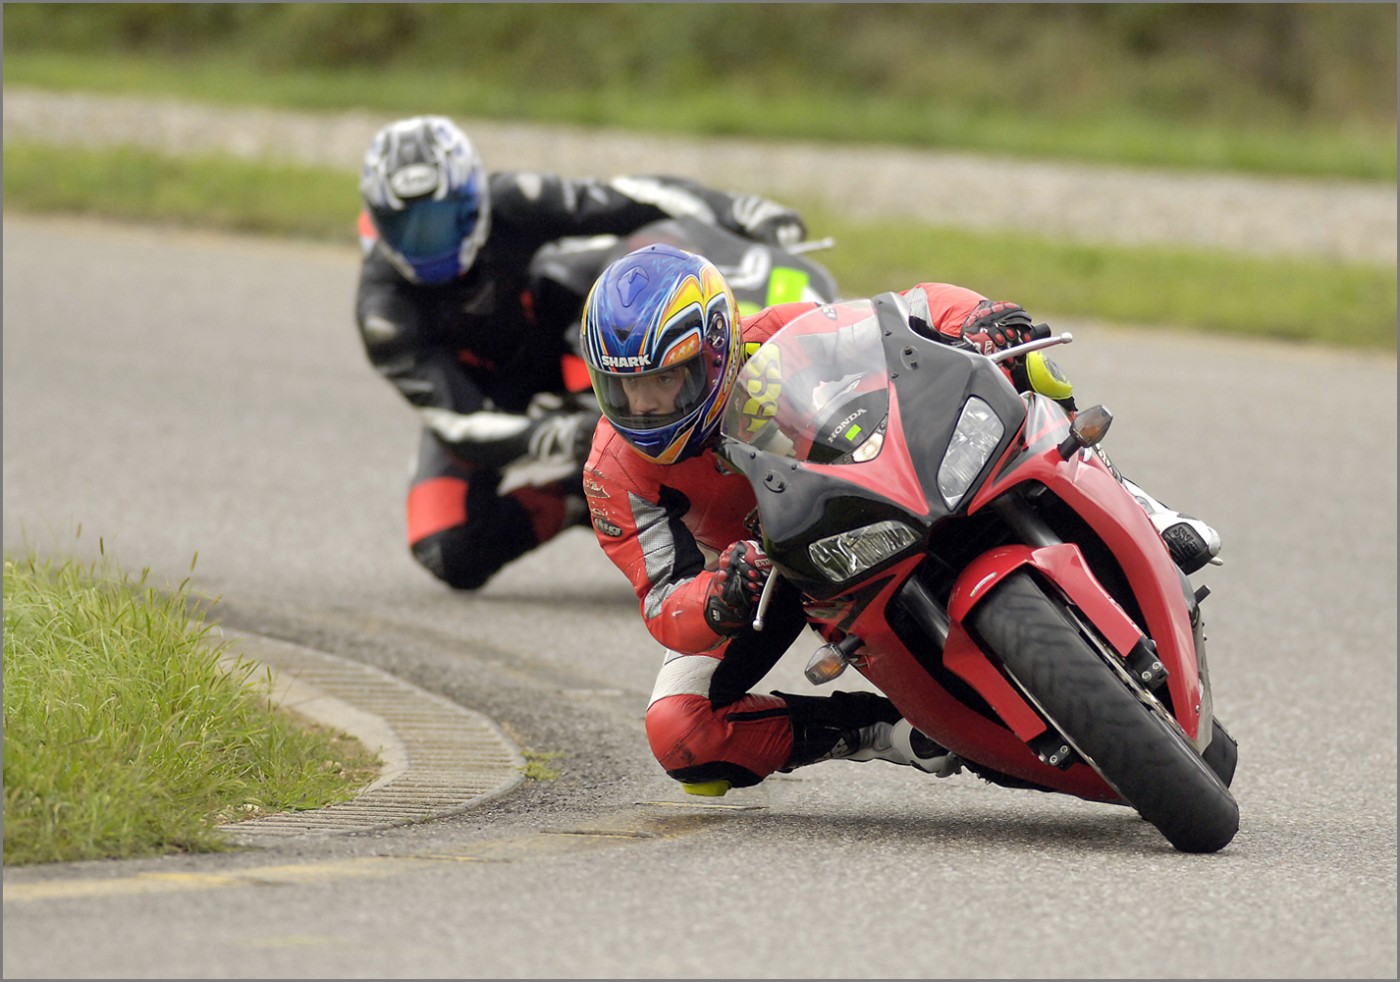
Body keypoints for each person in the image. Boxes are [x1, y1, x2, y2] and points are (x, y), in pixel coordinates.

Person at [577, 244, 1222, 796]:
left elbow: (902, 313)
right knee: (681, 734)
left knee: (1029, 370)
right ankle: (880, 731)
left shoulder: (773, 337)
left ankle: (1144, 508)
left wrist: (980, 318)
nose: (647, 405)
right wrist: (719, 596)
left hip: (876, 483)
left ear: (717, 350)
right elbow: (661, 597)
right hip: (772, 573)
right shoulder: (614, 471)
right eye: (625, 388)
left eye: (668, 379)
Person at [354, 115, 809, 590]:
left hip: (578, 344)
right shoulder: (383, 314)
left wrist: (741, 211)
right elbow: (457, 422)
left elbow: (631, 198)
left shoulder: (514, 200)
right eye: (408, 228)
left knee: (600, 272)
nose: (430, 244)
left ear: (474, 201)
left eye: (443, 221)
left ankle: (728, 414)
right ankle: (578, 495)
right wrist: (558, 435)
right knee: (446, 550)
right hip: (486, 399)